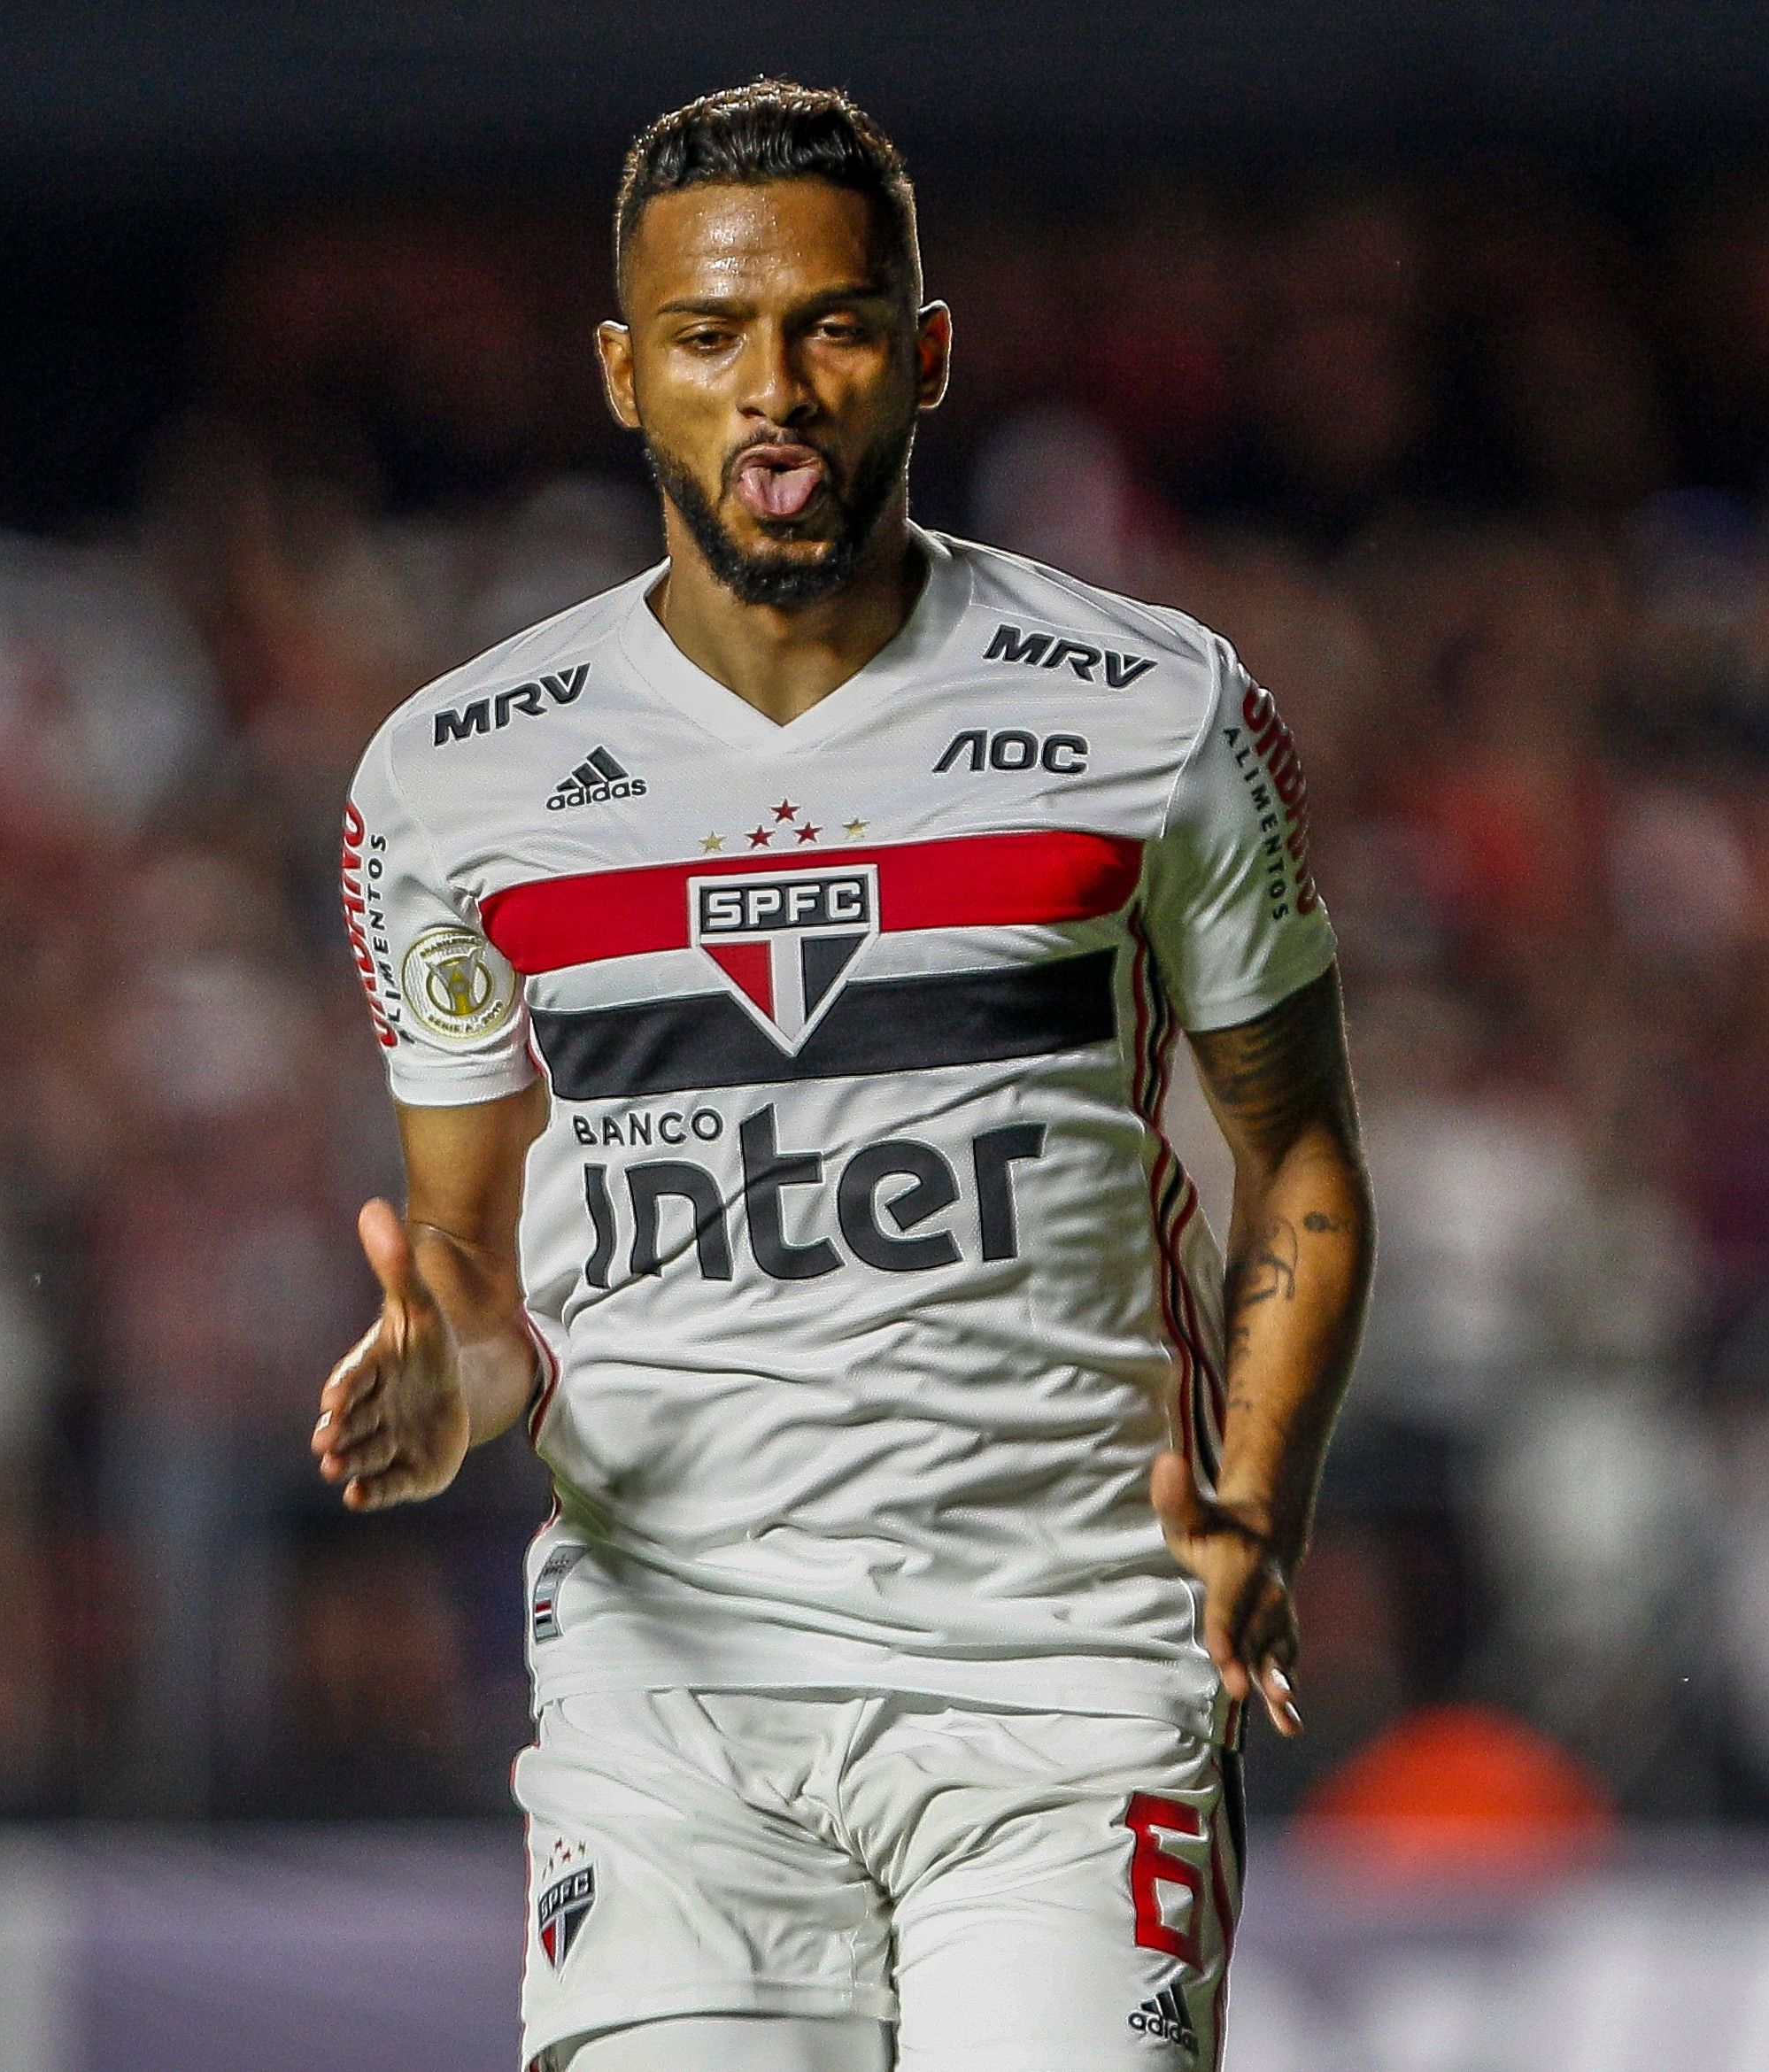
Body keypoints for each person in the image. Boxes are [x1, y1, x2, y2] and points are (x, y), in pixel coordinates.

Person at [309, 80, 1373, 2072]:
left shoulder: (1150, 707)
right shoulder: (451, 779)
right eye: (708, 337)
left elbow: (1295, 1160)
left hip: (1068, 1682)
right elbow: (468, 1279)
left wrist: (1258, 1501)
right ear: (625, 374)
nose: (773, 387)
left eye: (832, 324)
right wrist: (440, 1385)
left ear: (927, 352)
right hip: (672, 1713)